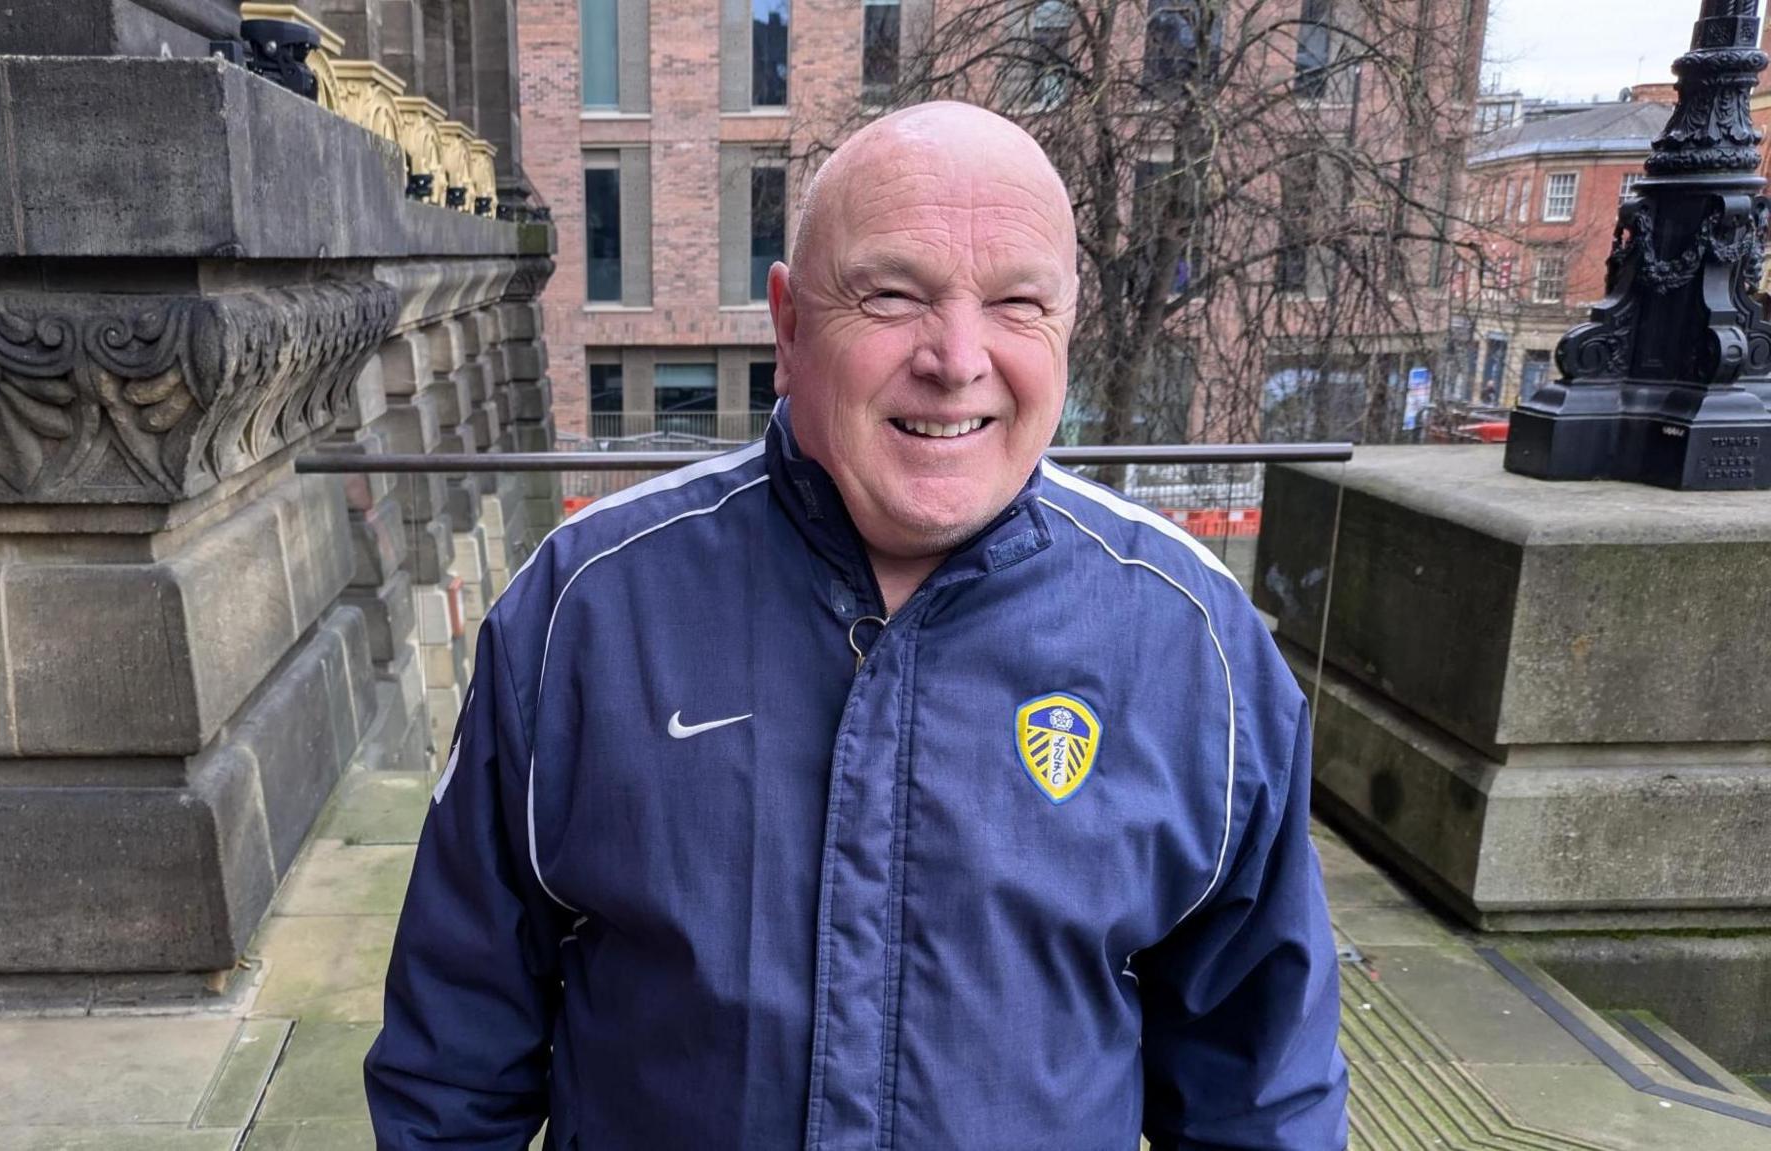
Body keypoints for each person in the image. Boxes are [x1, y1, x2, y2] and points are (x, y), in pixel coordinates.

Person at [365, 101, 1348, 1150]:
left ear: (1065, 329)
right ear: (788, 327)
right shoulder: (583, 611)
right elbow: (452, 1061)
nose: (957, 357)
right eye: (892, 294)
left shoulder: (1194, 646)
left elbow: (1262, 1092)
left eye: (1016, 301)